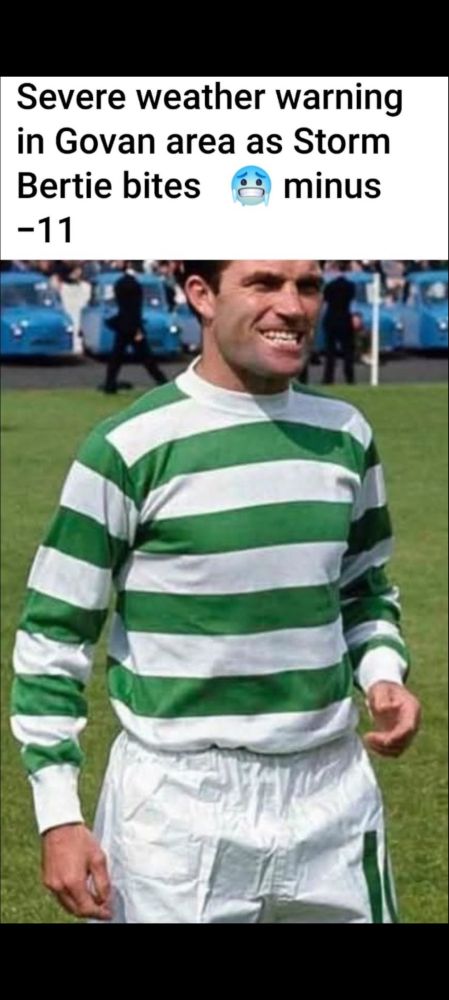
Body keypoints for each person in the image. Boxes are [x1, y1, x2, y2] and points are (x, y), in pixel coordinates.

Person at [11, 260, 420, 924]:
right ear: (201, 295)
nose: (293, 306)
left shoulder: (346, 434)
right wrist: (58, 815)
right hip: (178, 806)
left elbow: (363, 589)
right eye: (264, 283)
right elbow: (54, 636)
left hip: (331, 791)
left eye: (307, 286)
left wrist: (381, 675)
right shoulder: (127, 447)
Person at [100, 262, 168, 393]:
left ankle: (110, 384)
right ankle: (162, 382)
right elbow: (135, 310)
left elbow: (122, 307)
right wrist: (138, 328)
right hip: (134, 327)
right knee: (147, 358)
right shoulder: (135, 285)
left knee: (116, 358)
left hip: (122, 326)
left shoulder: (120, 283)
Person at [322, 263, 356, 384]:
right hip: (345, 318)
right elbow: (352, 302)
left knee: (330, 351)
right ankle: (350, 378)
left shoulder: (329, 286)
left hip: (331, 318)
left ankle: (328, 378)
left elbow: (325, 300)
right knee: (347, 351)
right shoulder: (350, 286)